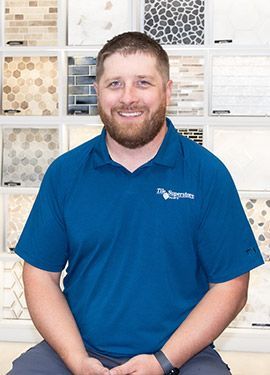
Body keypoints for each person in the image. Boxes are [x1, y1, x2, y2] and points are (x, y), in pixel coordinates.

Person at [9, 31, 264, 375]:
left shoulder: (207, 174)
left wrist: (163, 361)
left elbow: (231, 286)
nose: (128, 97)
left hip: (182, 355)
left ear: (167, 91)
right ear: (97, 92)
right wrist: (77, 360)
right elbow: (40, 276)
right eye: (115, 84)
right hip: (78, 349)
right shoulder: (65, 174)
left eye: (143, 82)